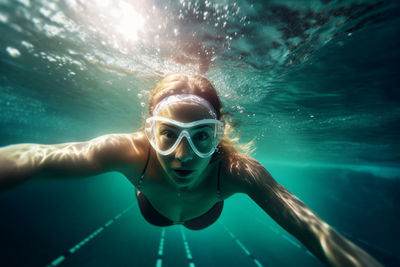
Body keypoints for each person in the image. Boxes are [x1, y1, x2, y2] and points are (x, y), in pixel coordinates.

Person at [0, 73, 381, 266]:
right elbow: (36, 158)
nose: (182, 156)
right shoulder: (128, 152)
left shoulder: (237, 171)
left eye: (202, 137)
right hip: (156, 208)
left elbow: (317, 233)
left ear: (220, 135)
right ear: (148, 131)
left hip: (203, 214)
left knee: (195, 217)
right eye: (167, 135)